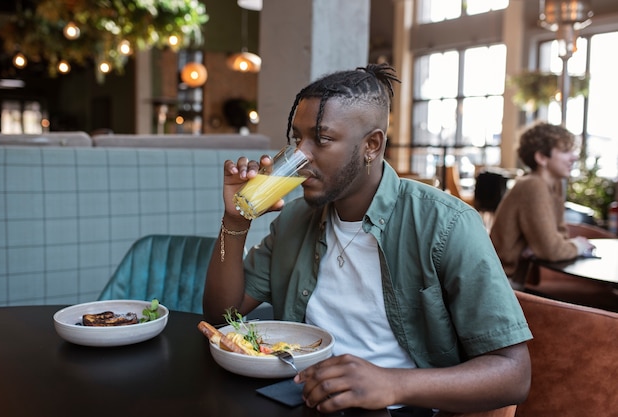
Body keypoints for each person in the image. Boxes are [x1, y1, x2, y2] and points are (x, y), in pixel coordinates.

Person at [203, 63, 532, 416]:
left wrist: (392, 383)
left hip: (400, 407)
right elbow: (222, 314)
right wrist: (235, 220)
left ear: (372, 145)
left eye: (322, 139)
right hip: (298, 398)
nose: (301, 156)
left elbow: (514, 374)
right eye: (297, 138)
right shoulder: (296, 218)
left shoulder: (445, 224)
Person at [490, 122, 596, 289]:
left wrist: (548, 245)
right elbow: (552, 250)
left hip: (522, 280)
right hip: (504, 285)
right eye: (565, 151)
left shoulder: (555, 185)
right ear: (541, 158)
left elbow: (560, 234)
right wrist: (579, 246)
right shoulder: (533, 185)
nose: (574, 157)